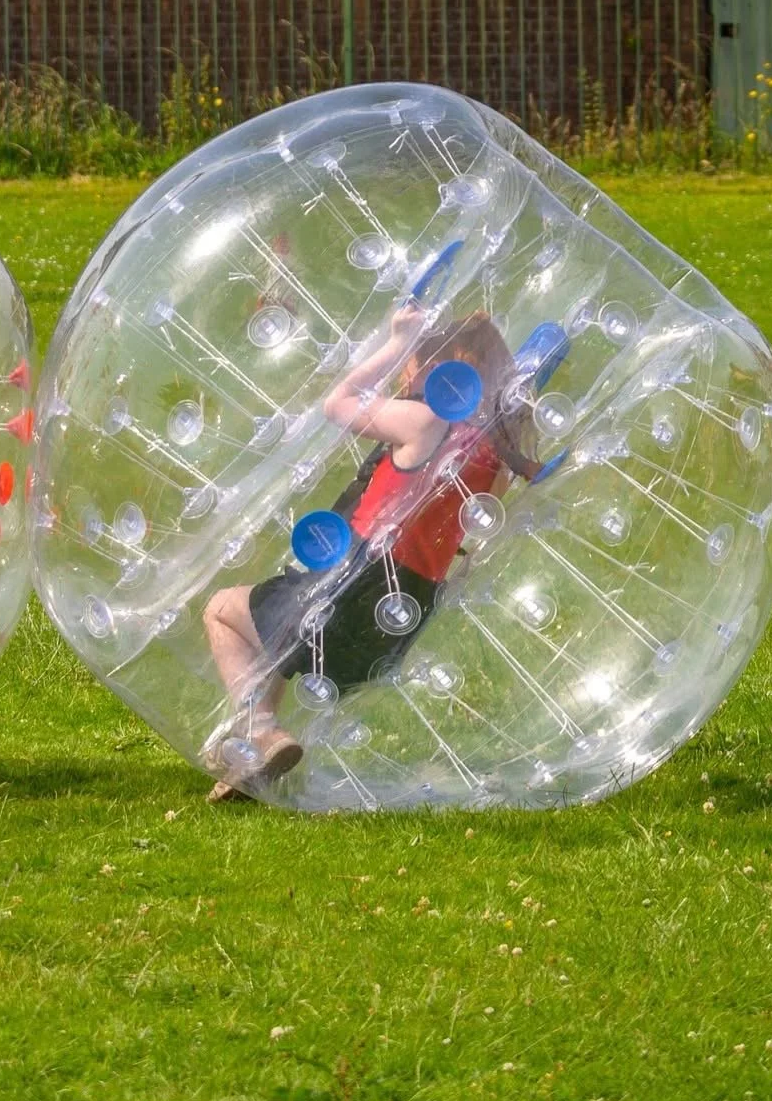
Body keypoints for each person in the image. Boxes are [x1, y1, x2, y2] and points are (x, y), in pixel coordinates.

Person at [199, 307, 545, 803]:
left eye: (414, 362)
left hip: (356, 581)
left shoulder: (427, 422)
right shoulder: (496, 458)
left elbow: (338, 404)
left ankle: (262, 733)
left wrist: (394, 341)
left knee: (224, 612)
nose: (408, 372)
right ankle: (254, 769)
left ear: (439, 370)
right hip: (401, 617)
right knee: (277, 634)